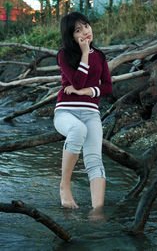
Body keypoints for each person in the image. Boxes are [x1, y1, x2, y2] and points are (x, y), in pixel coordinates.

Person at [54, 12, 112, 212]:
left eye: (86, 26)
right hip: (65, 113)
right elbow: (76, 81)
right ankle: (65, 186)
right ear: (71, 37)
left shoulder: (101, 56)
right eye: (78, 30)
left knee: (95, 159)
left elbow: (107, 87)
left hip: (91, 113)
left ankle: (97, 212)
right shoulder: (64, 55)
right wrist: (85, 53)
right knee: (78, 130)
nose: (85, 32)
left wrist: (89, 91)